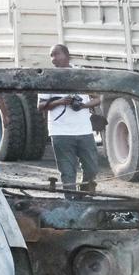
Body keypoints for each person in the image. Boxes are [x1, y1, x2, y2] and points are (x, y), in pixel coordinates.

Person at [38, 44, 101, 197]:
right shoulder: (48, 77)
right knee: (67, 172)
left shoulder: (80, 74)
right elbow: (40, 106)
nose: (53, 59)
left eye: (56, 54)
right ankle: (71, 202)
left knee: (92, 168)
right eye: (51, 56)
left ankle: (82, 196)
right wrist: (60, 102)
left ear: (67, 55)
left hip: (84, 130)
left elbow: (98, 98)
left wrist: (84, 105)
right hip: (60, 132)